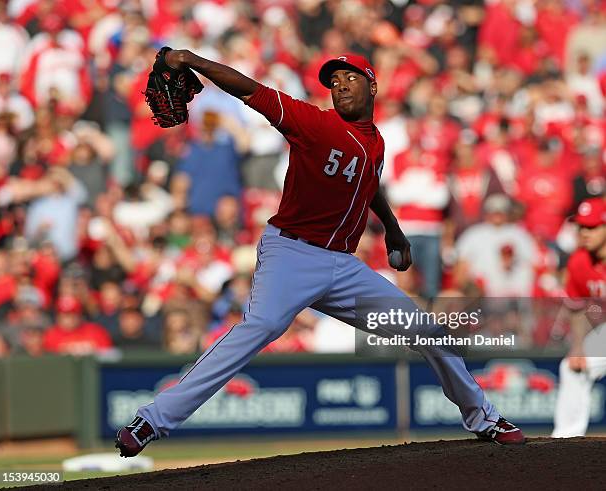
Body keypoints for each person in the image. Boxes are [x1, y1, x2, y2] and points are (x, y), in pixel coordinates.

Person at [115, 49, 524, 457]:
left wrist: (395, 231)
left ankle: (483, 418)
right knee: (258, 328)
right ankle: (152, 418)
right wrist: (191, 59)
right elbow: (249, 90)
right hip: (291, 254)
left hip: (344, 267)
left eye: (351, 77)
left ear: (373, 85)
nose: (340, 85)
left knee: (427, 330)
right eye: (333, 81)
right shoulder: (312, 122)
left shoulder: (375, 143)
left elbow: (369, 183)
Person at [552, 198, 606, 438]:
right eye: (581, 227)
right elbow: (576, 308)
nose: (585, 232)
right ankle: (565, 441)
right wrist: (577, 348)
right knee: (572, 367)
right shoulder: (579, 261)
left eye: (592, 227)